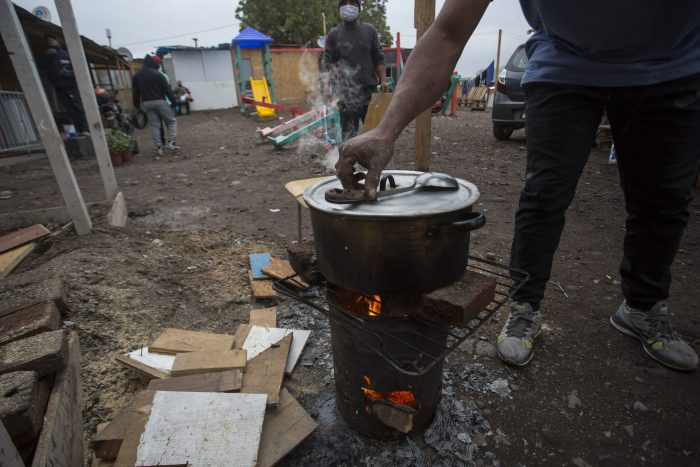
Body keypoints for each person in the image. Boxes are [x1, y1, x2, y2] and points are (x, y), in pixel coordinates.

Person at [336, 0, 700, 371]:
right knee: (545, 194)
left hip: (671, 68)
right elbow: (447, 33)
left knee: (664, 198)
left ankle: (643, 306)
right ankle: (525, 305)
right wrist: (386, 129)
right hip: (565, 67)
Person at [321, 0, 388, 142]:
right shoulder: (334, 34)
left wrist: (383, 80)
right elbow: (327, 63)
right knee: (348, 136)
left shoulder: (370, 31)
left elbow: (378, 58)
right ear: (339, 9)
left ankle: (374, 163)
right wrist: (326, 88)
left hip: (370, 93)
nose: (348, 6)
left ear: (359, 8)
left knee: (373, 133)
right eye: (344, 3)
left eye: (352, 3)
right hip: (345, 95)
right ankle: (349, 163)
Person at [39, 34, 89, 136]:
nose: (51, 42)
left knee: (78, 107)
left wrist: (70, 73)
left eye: (52, 40)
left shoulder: (66, 54)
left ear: (57, 40)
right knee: (69, 109)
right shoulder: (48, 56)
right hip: (59, 87)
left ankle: (86, 129)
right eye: (48, 41)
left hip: (71, 85)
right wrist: (47, 57)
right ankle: (79, 130)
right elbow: (41, 66)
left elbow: (79, 68)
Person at [132, 55, 179, 156]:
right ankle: (171, 142)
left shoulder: (137, 76)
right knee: (171, 121)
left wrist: (137, 106)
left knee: (154, 126)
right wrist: (174, 103)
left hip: (147, 103)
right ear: (154, 64)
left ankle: (159, 147)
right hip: (160, 101)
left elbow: (135, 92)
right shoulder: (158, 74)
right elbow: (167, 90)